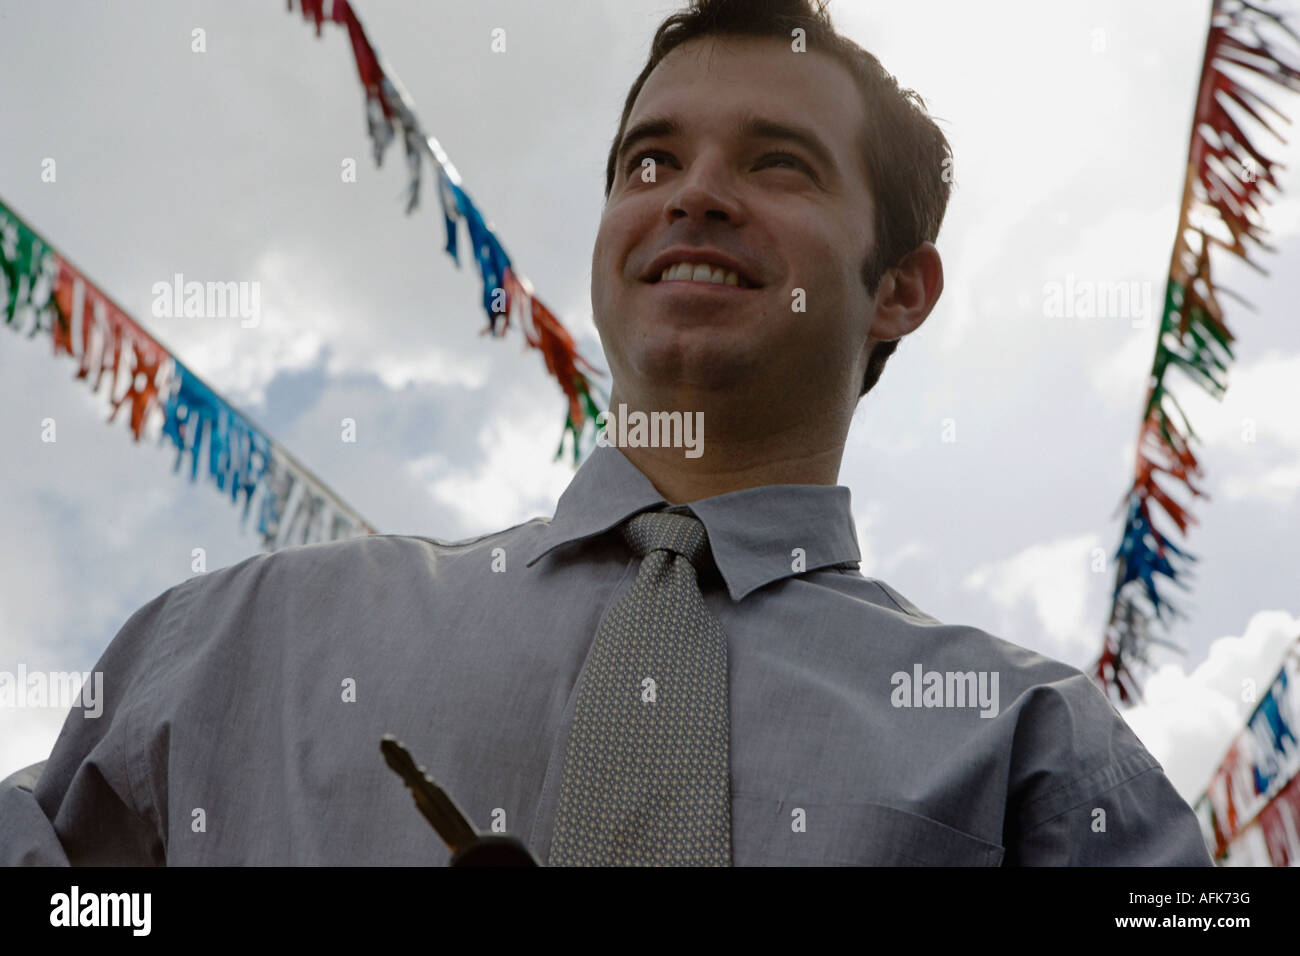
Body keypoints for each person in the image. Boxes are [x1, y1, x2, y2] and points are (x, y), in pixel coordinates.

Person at [0, 0, 1212, 866]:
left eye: (778, 162)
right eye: (650, 158)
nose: (692, 192)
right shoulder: (238, 638)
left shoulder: (1030, 745)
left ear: (898, 287)